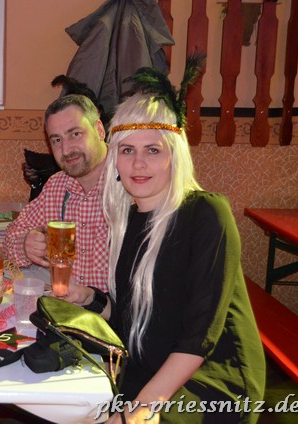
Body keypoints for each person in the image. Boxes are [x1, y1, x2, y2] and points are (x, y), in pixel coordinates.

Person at [67, 90, 265, 423]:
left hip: (209, 383)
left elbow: (200, 337)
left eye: (153, 150)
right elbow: (132, 320)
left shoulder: (206, 213)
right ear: (115, 160)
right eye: (127, 150)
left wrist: (137, 411)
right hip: (151, 368)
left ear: (174, 155)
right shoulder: (127, 221)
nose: (138, 163)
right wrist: (90, 298)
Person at [4, 94, 109, 290]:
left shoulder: (132, 182)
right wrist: (25, 245)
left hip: (116, 308)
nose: (66, 149)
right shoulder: (57, 186)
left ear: (100, 130)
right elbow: (11, 235)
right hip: (65, 305)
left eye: (75, 134)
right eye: (57, 140)